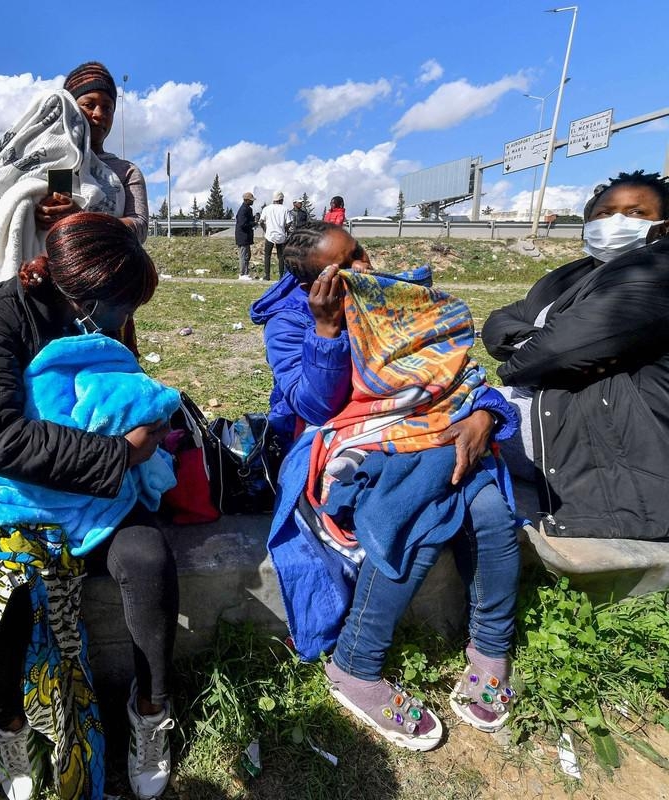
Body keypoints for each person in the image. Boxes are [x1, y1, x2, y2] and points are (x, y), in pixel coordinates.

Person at [250, 221, 520, 752]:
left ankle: (491, 649)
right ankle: (355, 664)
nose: (364, 269)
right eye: (346, 265)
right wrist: (326, 331)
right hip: (340, 447)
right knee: (411, 516)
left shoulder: (398, 300)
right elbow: (314, 407)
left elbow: (456, 371)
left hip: (438, 431)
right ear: (311, 285)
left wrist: (484, 416)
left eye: (361, 253)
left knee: (490, 512)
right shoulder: (288, 321)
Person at [0, 212, 177, 800]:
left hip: (97, 493)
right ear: (77, 291)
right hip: (22, 489)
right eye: (120, 309)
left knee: (149, 559)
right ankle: (9, 725)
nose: (125, 323)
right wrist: (118, 453)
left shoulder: (104, 316)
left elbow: (118, 386)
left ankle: (150, 712)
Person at [482, 170, 669, 540]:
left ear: (662, 227)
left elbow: (557, 350)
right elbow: (499, 322)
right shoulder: (575, 274)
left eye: (635, 213)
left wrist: (538, 352)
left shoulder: (656, 272)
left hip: (605, 435)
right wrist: (543, 345)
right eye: (604, 213)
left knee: (433, 435)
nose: (615, 222)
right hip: (552, 407)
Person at [35, 62, 149, 243]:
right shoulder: (59, 161)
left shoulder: (126, 171)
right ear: (70, 109)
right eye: (89, 104)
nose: (99, 114)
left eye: (107, 107)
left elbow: (140, 227)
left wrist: (83, 219)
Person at [260, 191, 290, 278]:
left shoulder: (267, 208)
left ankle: (267, 275)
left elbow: (261, 221)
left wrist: (265, 230)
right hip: (281, 235)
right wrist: (285, 230)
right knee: (281, 256)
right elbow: (289, 223)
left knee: (267, 255)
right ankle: (281, 276)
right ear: (281, 200)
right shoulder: (285, 209)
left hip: (269, 234)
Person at [236, 191, 256, 279]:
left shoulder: (247, 209)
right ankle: (242, 273)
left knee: (247, 255)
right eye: (251, 200)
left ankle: (246, 272)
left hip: (246, 236)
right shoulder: (243, 210)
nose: (253, 201)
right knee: (243, 255)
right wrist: (253, 223)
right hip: (242, 236)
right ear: (246, 200)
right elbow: (242, 224)